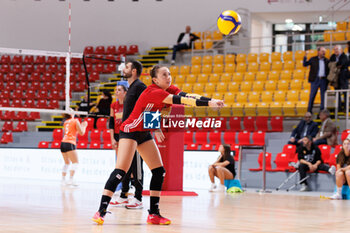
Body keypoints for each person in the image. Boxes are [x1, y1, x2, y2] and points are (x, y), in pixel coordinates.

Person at [92, 64, 224, 225]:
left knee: (159, 171)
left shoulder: (169, 89)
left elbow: (189, 95)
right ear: (155, 79)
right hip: (130, 130)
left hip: (143, 132)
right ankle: (101, 211)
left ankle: (154, 214)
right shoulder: (154, 92)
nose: (168, 77)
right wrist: (209, 105)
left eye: (169, 74)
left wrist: (211, 100)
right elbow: (183, 101)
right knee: (121, 171)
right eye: (164, 75)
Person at [108, 84, 144, 209]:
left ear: (125, 92)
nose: (116, 92)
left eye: (119, 90)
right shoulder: (114, 105)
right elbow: (111, 123)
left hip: (132, 136)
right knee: (123, 166)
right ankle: (124, 194)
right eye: (115, 90)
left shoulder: (131, 104)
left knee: (135, 165)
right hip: (120, 137)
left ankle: (136, 194)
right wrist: (112, 138)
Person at [60, 112, 88, 186]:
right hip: (70, 142)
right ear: (71, 113)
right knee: (75, 162)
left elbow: (73, 132)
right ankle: (71, 180)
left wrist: (80, 126)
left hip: (63, 142)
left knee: (66, 163)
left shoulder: (65, 122)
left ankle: (63, 180)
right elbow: (82, 133)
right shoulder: (75, 120)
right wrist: (84, 126)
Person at [303, 47, 329, 113]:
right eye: (322, 51)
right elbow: (305, 64)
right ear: (318, 52)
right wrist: (305, 56)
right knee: (312, 96)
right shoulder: (313, 59)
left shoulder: (327, 60)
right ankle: (309, 111)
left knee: (323, 97)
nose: (324, 52)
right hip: (315, 80)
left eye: (324, 51)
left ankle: (322, 111)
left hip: (323, 80)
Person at [329, 45, 349, 112]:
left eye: (337, 49)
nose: (336, 51)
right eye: (335, 49)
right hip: (336, 78)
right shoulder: (332, 56)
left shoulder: (344, 56)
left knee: (345, 93)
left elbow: (342, 64)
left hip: (343, 78)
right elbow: (329, 64)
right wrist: (336, 65)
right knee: (337, 93)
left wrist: (334, 65)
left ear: (341, 50)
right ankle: (339, 108)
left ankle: (346, 108)